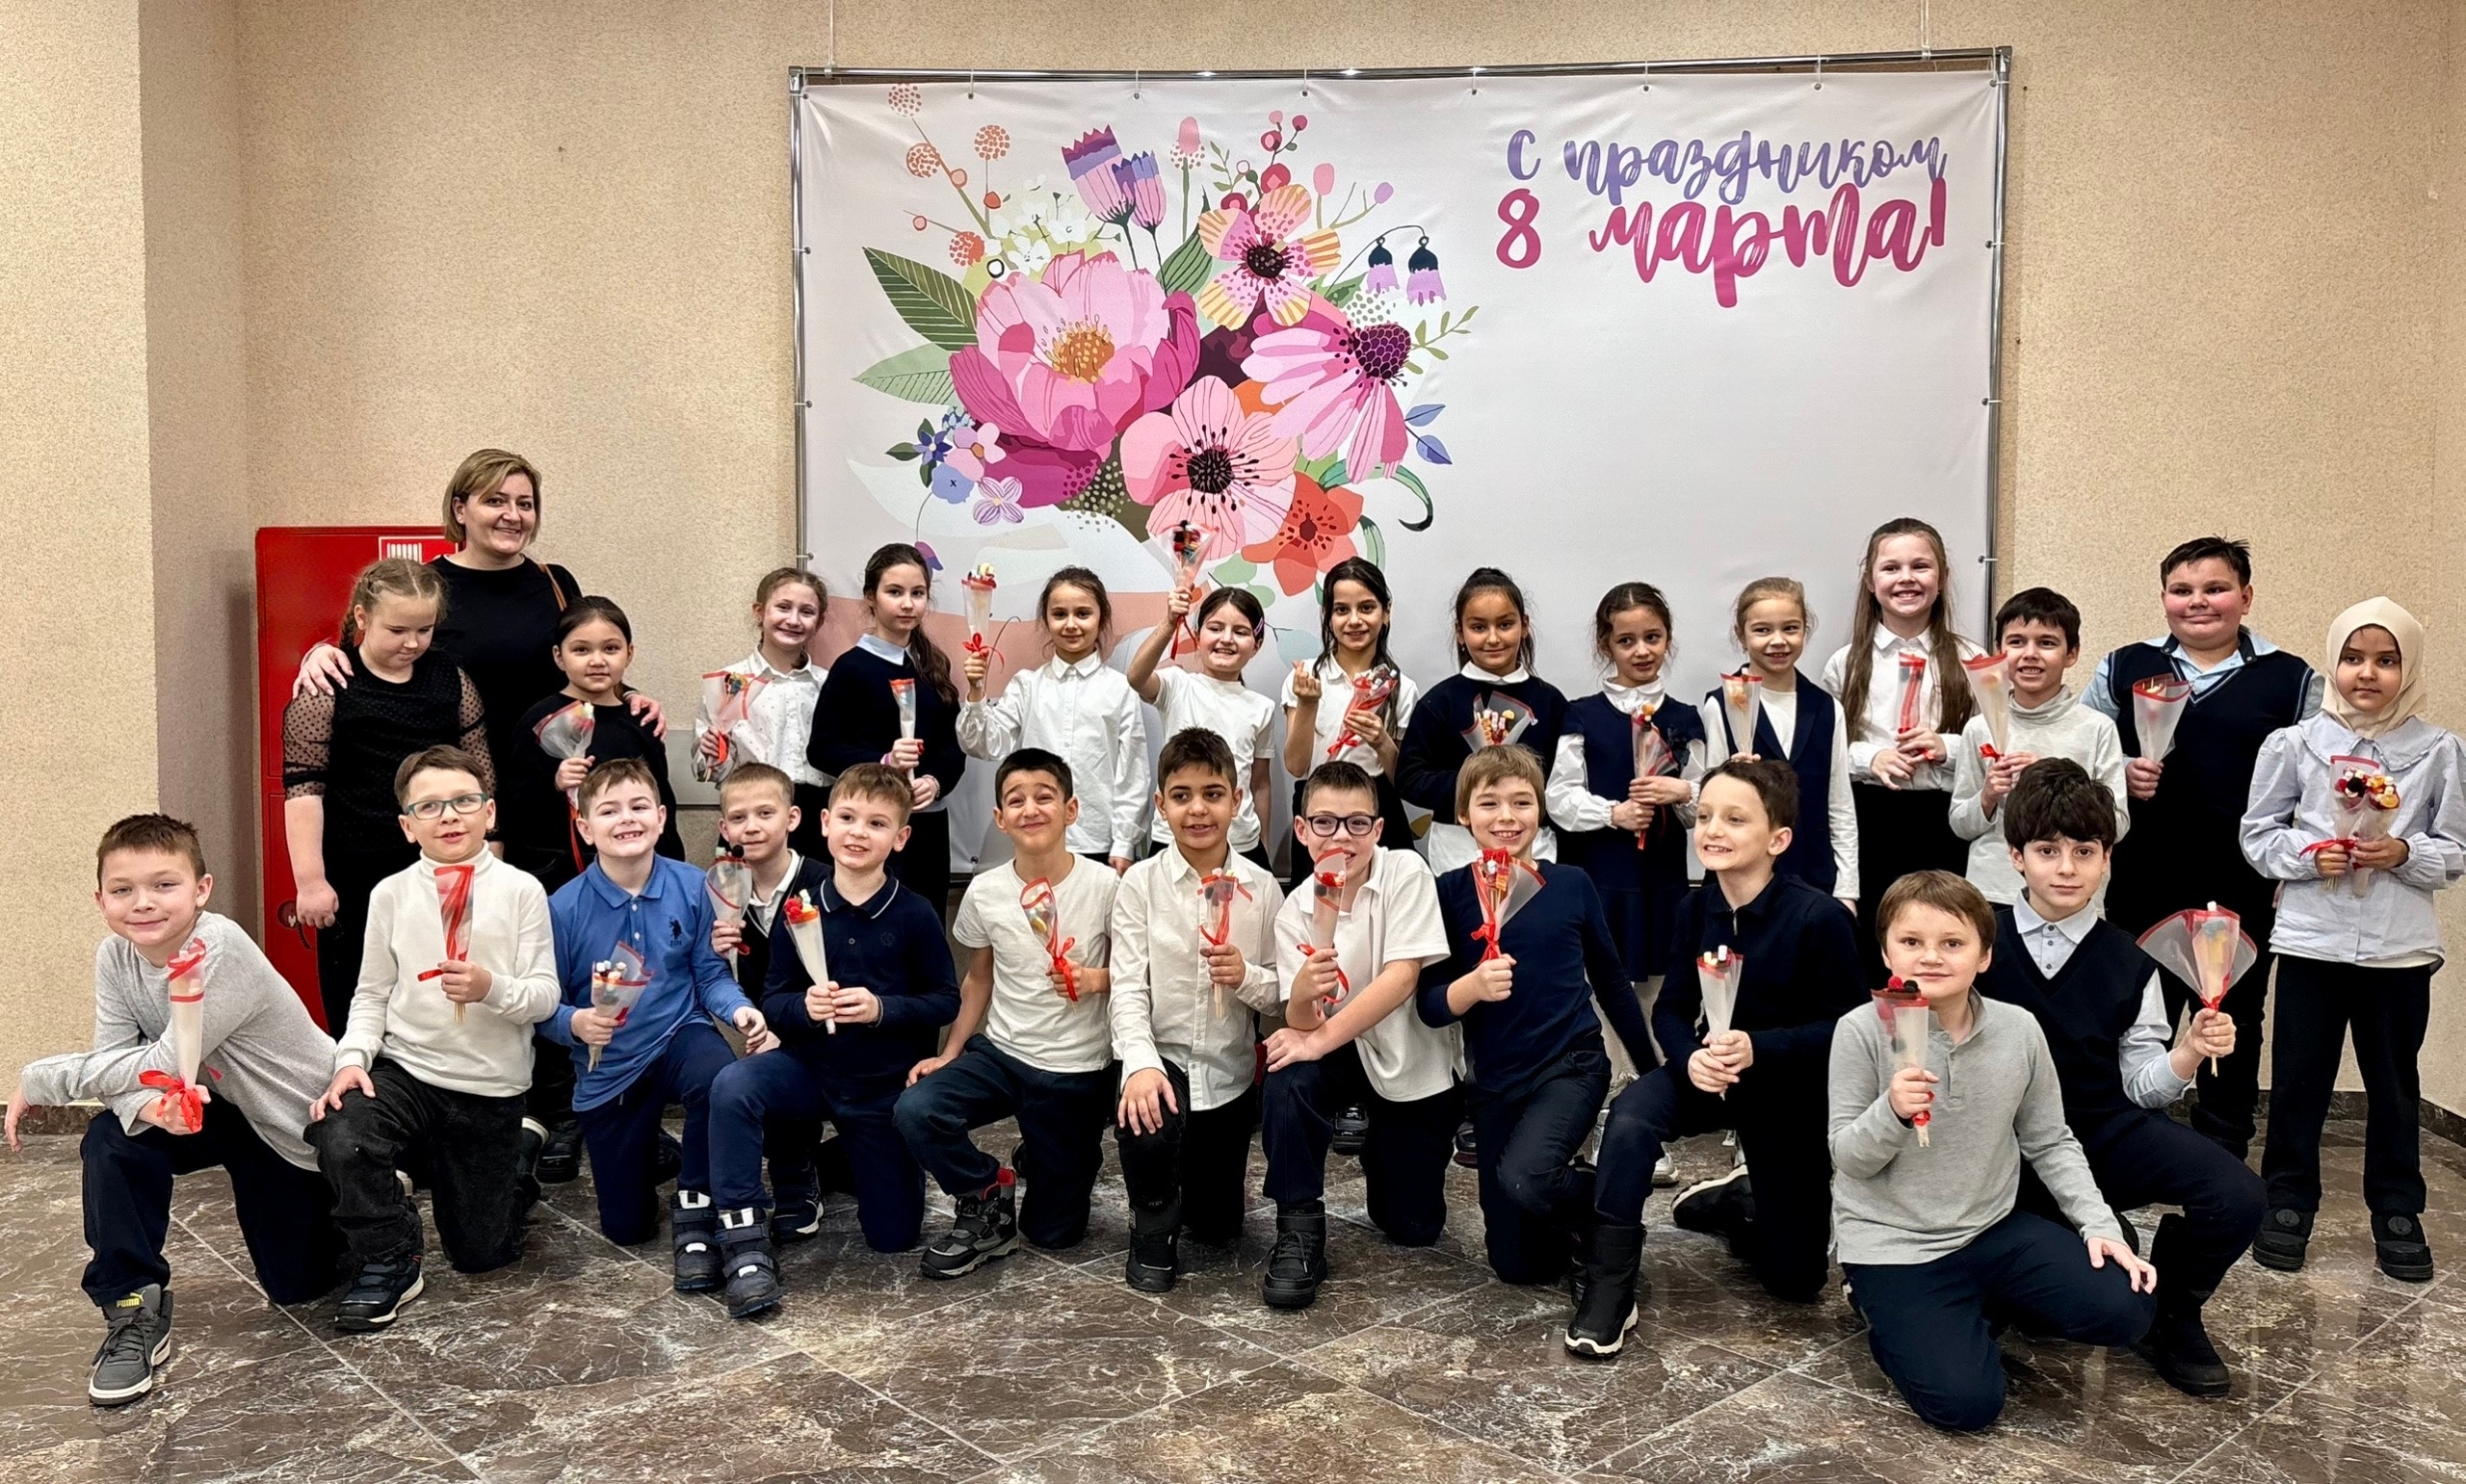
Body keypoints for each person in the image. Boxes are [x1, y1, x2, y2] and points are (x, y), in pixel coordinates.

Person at [8, 816, 345, 1405]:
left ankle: (367, 1205)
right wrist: (149, 1107)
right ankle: (131, 1303)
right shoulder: (116, 957)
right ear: (101, 900)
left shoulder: (219, 946)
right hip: (204, 1107)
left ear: (201, 889)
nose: (143, 903)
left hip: (285, 1121)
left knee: (300, 1286)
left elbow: (165, 1056)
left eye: (164, 885)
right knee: (112, 1138)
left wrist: (43, 1079)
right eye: (123, 889)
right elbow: (119, 1061)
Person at [1828, 871, 2156, 1432]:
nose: (1931, 957)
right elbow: (1849, 1159)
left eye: (1952, 943)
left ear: (1983, 956)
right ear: (1886, 953)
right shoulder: (1860, 1030)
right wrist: (1893, 1111)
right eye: (1911, 941)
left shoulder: (2019, 1029)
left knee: (2125, 1309)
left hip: (1990, 1228)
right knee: (1966, 1406)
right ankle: (1884, 1311)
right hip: (1895, 1245)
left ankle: (1970, 1310)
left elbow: (2050, 1140)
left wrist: (2099, 1225)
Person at [1984, 761, 2259, 1395]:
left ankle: (2172, 1312)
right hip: (2001, 1146)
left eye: (2084, 851)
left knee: (2238, 1195)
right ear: (2016, 856)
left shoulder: (2131, 958)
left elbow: (2142, 1085)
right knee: (2041, 1307)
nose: (2066, 868)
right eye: (2047, 851)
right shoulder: (1979, 940)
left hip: (2102, 1131)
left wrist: (2187, 1052)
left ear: (2107, 857)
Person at [1578, 758, 1864, 1356]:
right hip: (1709, 1074)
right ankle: (1609, 1284)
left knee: (1795, 1282)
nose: (1712, 829)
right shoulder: (1695, 909)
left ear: (1777, 839)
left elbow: (1847, 1027)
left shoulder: (1820, 918)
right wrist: (1688, 1058)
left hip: (1786, 1090)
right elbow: (1672, 1009)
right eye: (1705, 816)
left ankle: (1740, 1201)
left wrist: (1761, 1047)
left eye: (1735, 819)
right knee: (1632, 1116)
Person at [2242, 598, 2466, 1282]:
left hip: (2399, 949)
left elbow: (2456, 849)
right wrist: (2312, 856)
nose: (2367, 673)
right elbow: (2258, 835)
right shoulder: (2295, 743)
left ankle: (2397, 1208)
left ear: (2409, 667)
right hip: (2313, 940)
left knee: (2394, 1083)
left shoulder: (2439, 749)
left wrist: (2404, 852)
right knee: (2299, 1078)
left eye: (2386, 659)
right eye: (2353, 657)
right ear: (2333, 663)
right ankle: (2287, 1201)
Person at [304, 746, 560, 1333]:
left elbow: (545, 997)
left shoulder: (521, 890)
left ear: (489, 812)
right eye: (429, 806)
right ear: (407, 825)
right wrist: (351, 1060)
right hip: (409, 1071)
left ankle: (517, 1158)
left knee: (481, 1254)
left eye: (464, 801)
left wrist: (491, 988)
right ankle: (390, 1255)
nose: (449, 816)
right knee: (344, 1133)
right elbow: (371, 994)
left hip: (489, 1086)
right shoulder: (391, 894)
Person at [2089, 536, 2321, 1161]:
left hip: (2244, 882)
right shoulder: (2123, 667)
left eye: (2215, 589)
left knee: (2234, 1018)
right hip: (2144, 879)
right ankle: (2133, 1150)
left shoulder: (2292, 679)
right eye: (2181, 590)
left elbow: (2316, 782)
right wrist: (2120, 774)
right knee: (2136, 1012)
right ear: (2163, 597)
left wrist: (2294, 865)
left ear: (2246, 596)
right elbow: (2081, 754)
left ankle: (2223, 1155)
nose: (2198, 602)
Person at [707, 764, 959, 1318]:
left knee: (892, 1237)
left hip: (879, 1090)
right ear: (824, 823)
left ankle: (840, 1160)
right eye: (847, 818)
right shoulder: (801, 906)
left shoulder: (914, 913)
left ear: (901, 837)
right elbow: (774, 998)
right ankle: (743, 1239)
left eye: (877, 823)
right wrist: (803, 1007)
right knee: (734, 1085)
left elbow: (945, 1000)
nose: (858, 832)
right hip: (810, 1072)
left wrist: (881, 1008)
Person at [1417, 745, 1652, 1291]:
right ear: (1463, 814)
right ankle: (1581, 1211)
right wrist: (1471, 987)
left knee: (1528, 1176)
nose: (1506, 817)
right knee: (1518, 1266)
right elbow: (1430, 1005)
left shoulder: (1571, 884)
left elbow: (1613, 984)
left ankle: (1611, 1221)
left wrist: (1652, 1071)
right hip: (1497, 1082)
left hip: (1571, 1064)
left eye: (1522, 802)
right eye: (1489, 803)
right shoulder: (1447, 893)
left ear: (1541, 812)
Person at [541, 760, 774, 1289]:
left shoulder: (693, 886)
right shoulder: (561, 909)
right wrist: (574, 1024)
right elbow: (542, 1006)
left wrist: (740, 1009)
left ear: (662, 817)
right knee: (627, 1228)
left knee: (719, 1078)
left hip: (679, 1035)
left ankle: (697, 1200)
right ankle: (653, 1147)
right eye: (609, 811)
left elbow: (709, 974)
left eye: (639, 806)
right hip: (610, 1068)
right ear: (585, 827)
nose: (627, 819)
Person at [289, 449, 665, 771]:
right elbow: (376, 661)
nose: (513, 515)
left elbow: (584, 660)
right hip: (456, 784)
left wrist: (626, 696)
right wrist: (320, 653)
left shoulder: (556, 582)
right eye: (495, 501)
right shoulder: (427, 587)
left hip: (549, 776)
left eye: (525, 504)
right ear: (460, 509)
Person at [898, 748, 1119, 1277]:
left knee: (1054, 1234)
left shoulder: (1106, 887)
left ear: (1071, 810)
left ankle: (1050, 1156)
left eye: (1045, 797)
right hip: (1003, 1054)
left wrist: (1095, 980)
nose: (1030, 809)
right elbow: (979, 977)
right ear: (1000, 818)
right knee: (917, 1109)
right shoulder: (987, 890)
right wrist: (950, 1052)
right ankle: (985, 1194)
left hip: (1075, 1069)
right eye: (1016, 801)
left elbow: (1136, 975)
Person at [1256, 761, 1459, 1310]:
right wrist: (1302, 997)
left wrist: (1316, 1038)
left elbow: (1402, 978)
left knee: (1412, 1227)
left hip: (1405, 1057)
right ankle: (1299, 1226)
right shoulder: (1295, 909)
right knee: (1287, 1075)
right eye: (1325, 823)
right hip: (1337, 1052)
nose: (1341, 837)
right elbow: (1302, 1024)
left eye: (1356, 823)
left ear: (1378, 828)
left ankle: (1380, 1140)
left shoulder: (1405, 873)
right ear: (1302, 830)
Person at [282, 558, 492, 1032]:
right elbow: (303, 790)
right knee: (357, 993)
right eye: (397, 630)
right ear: (362, 617)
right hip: (354, 869)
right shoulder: (327, 685)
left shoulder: (450, 679)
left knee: (437, 990)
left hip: (437, 865)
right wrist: (310, 882)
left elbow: (480, 778)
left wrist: (488, 862)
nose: (412, 643)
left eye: (424, 630)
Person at [1111, 728, 1286, 1292]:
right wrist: (1139, 1065)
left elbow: (1282, 995)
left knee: (1217, 1227)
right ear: (1160, 805)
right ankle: (1151, 1220)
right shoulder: (1140, 884)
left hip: (1228, 1074)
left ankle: (1189, 1182)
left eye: (1213, 794)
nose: (1198, 809)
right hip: (1163, 1060)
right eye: (1181, 796)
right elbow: (1127, 988)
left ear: (1237, 800)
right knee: (1148, 1118)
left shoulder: (1264, 888)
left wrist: (1246, 976)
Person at [1820, 518, 1986, 973]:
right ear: (1870, 580)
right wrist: (1870, 757)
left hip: (1945, 823)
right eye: (1891, 568)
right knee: (1877, 947)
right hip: (1870, 819)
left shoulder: (1971, 660)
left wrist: (1948, 747)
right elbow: (1827, 749)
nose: (1906, 578)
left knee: (1942, 941)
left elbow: (1994, 747)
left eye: (1920, 566)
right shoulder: (1845, 664)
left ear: (1942, 577)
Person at [1549, 581, 1706, 1025]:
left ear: (1667, 639)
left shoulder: (1686, 717)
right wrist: (1612, 813)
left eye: (1652, 637)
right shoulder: (1583, 714)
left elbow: (1705, 806)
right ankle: (1609, 1065)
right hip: (1604, 877)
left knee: (1664, 990)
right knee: (1605, 988)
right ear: (1606, 645)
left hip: (1665, 879)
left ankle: (1660, 1064)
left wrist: (1682, 792)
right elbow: (1558, 796)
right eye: (1626, 641)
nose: (1641, 651)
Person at [710, 763, 848, 1242]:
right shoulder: (724, 891)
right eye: (739, 817)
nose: (751, 826)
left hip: (837, 1035)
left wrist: (785, 1032)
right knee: (750, 1074)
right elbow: (731, 981)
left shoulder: (828, 883)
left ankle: (828, 1160)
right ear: (724, 828)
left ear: (792, 818)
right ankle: (792, 1175)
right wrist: (720, 952)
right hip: (770, 1034)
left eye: (764, 813)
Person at [809, 543, 966, 918]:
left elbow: (953, 746)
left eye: (918, 593)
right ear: (871, 597)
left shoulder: (933, 666)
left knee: (925, 923)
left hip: (926, 825)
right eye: (894, 592)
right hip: (872, 826)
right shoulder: (850, 669)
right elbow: (822, 749)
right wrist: (884, 762)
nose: (907, 604)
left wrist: (935, 782)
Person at [1948, 587, 2129, 908]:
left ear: (2071, 654)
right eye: (2016, 642)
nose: (2030, 654)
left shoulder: (2097, 728)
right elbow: (1960, 824)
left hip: (2074, 895)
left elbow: (2118, 825)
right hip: (1994, 893)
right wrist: (1988, 796)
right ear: (1999, 652)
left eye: (2046, 643)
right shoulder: (1979, 728)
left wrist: (2053, 780)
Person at [958, 567, 1147, 871]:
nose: (1071, 624)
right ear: (1046, 621)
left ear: (1101, 619)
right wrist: (977, 690)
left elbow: (1133, 773)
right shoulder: (1027, 686)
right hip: (1035, 837)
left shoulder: (1120, 689)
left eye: (1083, 614)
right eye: (1059, 614)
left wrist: (1125, 842)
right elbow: (984, 745)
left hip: (1098, 842)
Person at [504, 596, 687, 890]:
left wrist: (671, 867)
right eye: (581, 650)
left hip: (635, 871)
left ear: (629, 653)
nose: (597, 660)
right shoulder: (541, 720)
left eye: (611, 648)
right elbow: (514, 801)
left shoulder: (641, 720)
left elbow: (661, 799)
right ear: (559, 656)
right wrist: (555, 782)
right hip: (559, 872)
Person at [1398, 567, 1571, 873]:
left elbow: (1565, 781)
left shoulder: (1550, 702)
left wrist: (1522, 793)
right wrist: (1474, 787)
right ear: (1460, 632)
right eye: (1479, 627)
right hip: (1456, 851)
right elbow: (1409, 778)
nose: (1493, 638)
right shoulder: (1440, 701)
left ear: (1524, 625)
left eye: (1505, 625)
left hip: (1533, 847)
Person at [1702, 577, 1859, 911]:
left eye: (1790, 628)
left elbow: (1840, 806)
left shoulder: (1827, 708)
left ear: (1805, 630)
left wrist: (1846, 889)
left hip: (1814, 879)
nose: (1778, 641)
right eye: (1762, 630)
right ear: (1741, 635)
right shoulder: (1723, 704)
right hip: (1741, 882)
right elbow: (1707, 802)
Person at [1281, 557, 1422, 885]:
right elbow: (1296, 766)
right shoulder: (1305, 677)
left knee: (1384, 897)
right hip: (1318, 806)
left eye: (1367, 608)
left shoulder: (1401, 688)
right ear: (1327, 616)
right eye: (1342, 610)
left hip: (1376, 805)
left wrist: (1381, 741)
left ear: (1386, 612)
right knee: (1320, 902)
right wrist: (1308, 704)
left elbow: (1403, 780)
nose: (1354, 620)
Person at [1128, 586, 1279, 873]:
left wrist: (1265, 844)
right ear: (1198, 637)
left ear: (1256, 645)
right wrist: (1169, 622)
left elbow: (1260, 783)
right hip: (1174, 837)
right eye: (1215, 628)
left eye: (1240, 632)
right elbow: (1136, 677)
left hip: (1240, 843)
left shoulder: (1262, 707)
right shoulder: (1177, 685)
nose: (1226, 639)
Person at [695, 567, 831, 858]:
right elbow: (708, 771)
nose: (793, 620)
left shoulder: (828, 684)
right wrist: (713, 755)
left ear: (819, 622)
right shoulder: (731, 682)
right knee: (745, 887)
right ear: (759, 612)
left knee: (814, 888)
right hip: (751, 810)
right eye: (783, 607)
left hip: (817, 816)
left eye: (806, 612)